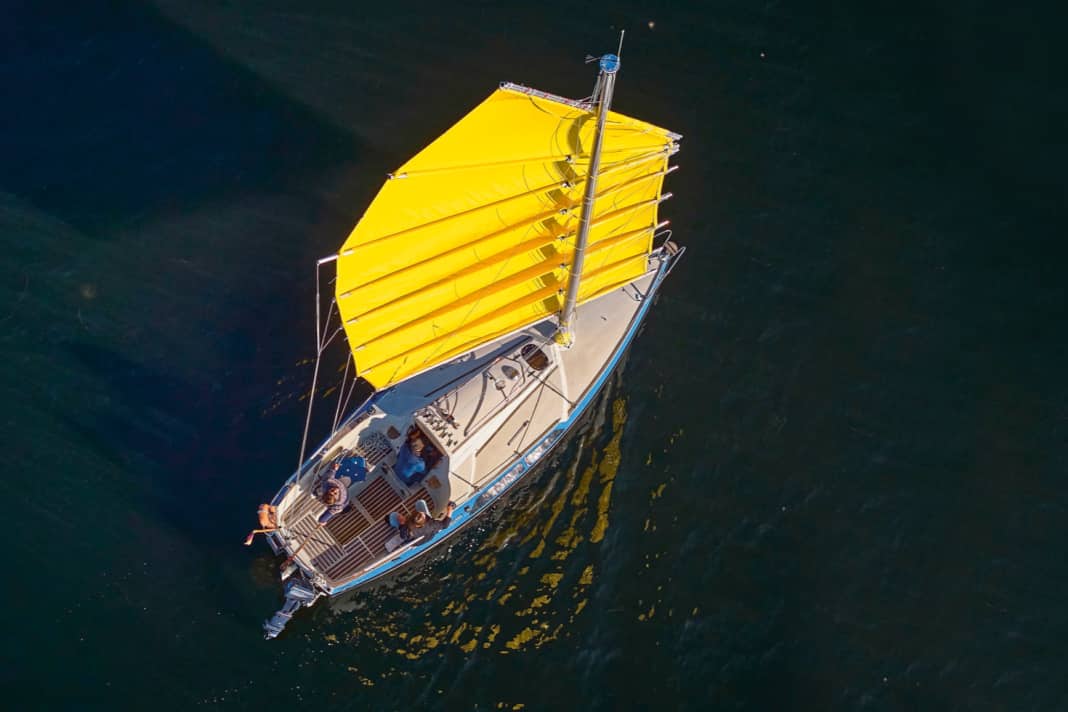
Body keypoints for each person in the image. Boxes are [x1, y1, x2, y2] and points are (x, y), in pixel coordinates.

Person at [386, 499, 456, 548]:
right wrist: (450, 510)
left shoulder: (406, 530)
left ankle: (390, 521)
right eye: (422, 514)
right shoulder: (432, 524)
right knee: (420, 503)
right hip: (427, 536)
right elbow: (445, 525)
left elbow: (403, 536)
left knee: (393, 516)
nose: (423, 513)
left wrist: (402, 524)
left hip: (415, 541)